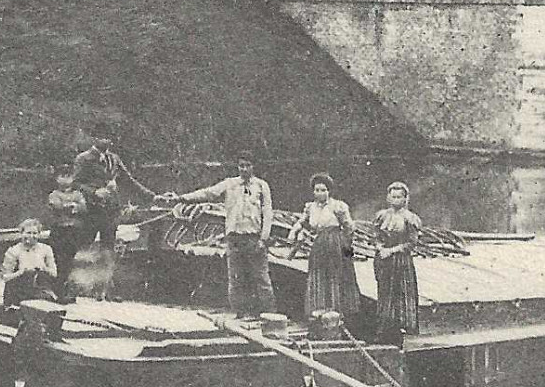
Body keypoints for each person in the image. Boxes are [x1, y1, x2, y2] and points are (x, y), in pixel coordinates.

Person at [161, 152, 276, 317]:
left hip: (253, 238)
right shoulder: (230, 184)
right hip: (234, 238)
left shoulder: (262, 186)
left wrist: (263, 239)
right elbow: (208, 193)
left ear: (254, 167)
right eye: (241, 165)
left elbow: (267, 212)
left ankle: (269, 315)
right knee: (236, 279)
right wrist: (181, 198)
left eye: (247, 165)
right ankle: (240, 313)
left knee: (261, 278)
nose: (244, 169)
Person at [287, 172, 360, 322]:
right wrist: (294, 231)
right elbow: (302, 222)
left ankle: (336, 310)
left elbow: (349, 227)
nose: (320, 193)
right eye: (317, 190)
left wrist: (345, 246)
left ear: (329, 191)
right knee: (318, 274)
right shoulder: (310, 207)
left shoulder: (338, 206)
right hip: (319, 244)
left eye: (323, 190)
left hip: (336, 242)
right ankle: (319, 309)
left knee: (335, 275)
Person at [72, 133, 155, 252]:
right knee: (86, 242)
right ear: (94, 138)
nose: (106, 140)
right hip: (91, 209)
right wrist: (94, 192)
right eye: (102, 136)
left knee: (108, 245)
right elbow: (76, 183)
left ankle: (107, 269)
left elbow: (128, 180)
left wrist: (151, 196)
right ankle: (82, 269)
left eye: (109, 138)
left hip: (111, 209)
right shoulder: (83, 158)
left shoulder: (114, 158)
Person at [369, 181, 422, 341]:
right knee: (384, 292)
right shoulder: (382, 216)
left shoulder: (410, 218)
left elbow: (411, 243)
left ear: (405, 199)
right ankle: (384, 327)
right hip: (383, 259)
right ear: (388, 197)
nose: (396, 200)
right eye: (393, 196)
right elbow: (375, 235)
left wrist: (392, 250)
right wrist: (380, 248)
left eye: (399, 197)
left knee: (399, 293)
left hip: (400, 261)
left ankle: (399, 329)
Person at [44, 164, 88, 299]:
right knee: (57, 258)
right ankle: (56, 290)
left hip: (73, 231)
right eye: (62, 176)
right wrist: (72, 206)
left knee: (69, 260)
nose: (65, 180)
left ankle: (65, 290)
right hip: (59, 230)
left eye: (68, 176)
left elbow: (84, 208)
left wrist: (73, 206)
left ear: (73, 178)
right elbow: (57, 206)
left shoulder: (78, 194)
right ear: (56, 179)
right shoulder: (54, 194)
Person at [0, 219, 57, 307]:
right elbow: (5, 277)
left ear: (39, 234)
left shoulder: (46, 249)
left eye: (35, 233)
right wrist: (22, 272)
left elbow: (54, 273)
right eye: (28, 233)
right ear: (21, 234)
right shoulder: (13, 251)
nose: (31, 236)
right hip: (17, 291)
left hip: (38, 289)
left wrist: (43, 268)